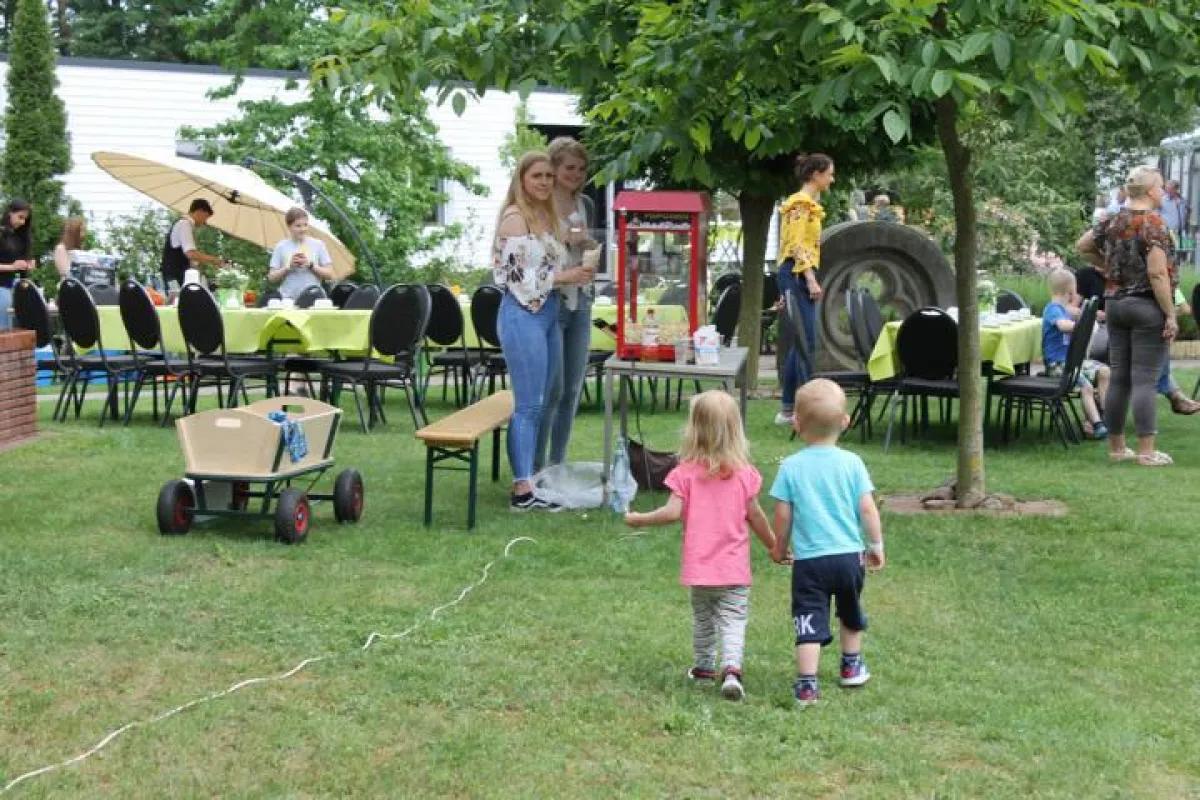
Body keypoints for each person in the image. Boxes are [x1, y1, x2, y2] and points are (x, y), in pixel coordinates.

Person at [624, 390, 780, 702]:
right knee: (733, 620)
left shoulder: (684, 474)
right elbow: (757, 517)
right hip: (734, 570)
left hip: (700, 570)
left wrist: (638, 518)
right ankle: (732, 669)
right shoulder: (745, 475)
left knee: (704, 619)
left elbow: (671, 513)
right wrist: (775, 546)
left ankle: (704, 669)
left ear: (693, 430)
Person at [770, 378, 884, 708]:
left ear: (796, 422)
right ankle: (851, 666)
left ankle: (807, 685)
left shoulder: (790, 467)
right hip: (850, 557)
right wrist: (875, 545)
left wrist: (780, 548)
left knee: (809, 619)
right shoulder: (852, 464)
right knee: (850, 610)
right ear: (846, 422)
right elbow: (867, 508)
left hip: (810, 562)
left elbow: (783, 515)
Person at [493, 151, 594, 511]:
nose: (544, 182)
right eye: (537, 176)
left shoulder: (545, 216)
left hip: (548, 313)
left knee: (546, 398)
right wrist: (567, 277)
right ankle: (522, 489)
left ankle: (534, 478)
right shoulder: (515, 219)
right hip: (522, 316)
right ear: (521, 179)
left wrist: (584, 253)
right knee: (529, 404)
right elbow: (520, 281)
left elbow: (569, 251)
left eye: (548, 177)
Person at [1077, 165, 1177, 467]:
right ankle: (1146, 452)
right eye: (1159, 187)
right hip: (1146, 306)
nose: (1162, 192)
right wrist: (1170, 314)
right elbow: (1157, 273)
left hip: (1116, 304)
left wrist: (1110, 268)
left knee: (1119, 378)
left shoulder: (1112, 220)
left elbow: (1082, 246)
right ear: (1149, 191)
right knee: (1145, 380)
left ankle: (1118, 448)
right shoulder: (1154, 224)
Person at [535, 137, 598, 472]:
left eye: (581, 168)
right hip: (553, 301)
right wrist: (564, 240)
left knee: (573, 387)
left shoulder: (583, 203)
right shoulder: (540, 204)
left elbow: (582, 244)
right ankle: (538, 466)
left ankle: (558, 462)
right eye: (569, 168)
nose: (576, 174)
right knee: (553, 388)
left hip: (581, 301)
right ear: (555, 168)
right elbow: (536, 253)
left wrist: (589, 246)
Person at [775, 153, 835, 426]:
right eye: (829, 174)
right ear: (816, 175)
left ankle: (789, 409)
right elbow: (797, 245)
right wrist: (810, 278)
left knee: (800, 343)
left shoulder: (806, 204)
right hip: (798, 274)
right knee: (807, 341)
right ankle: (803, 410)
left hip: (794, 274)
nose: (832, 179)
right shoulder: (801, 205)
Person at [1041, 269, 1109, 439]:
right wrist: (1082, 327)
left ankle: (1107, 416)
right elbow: (1063, 326)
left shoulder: (1064, 309)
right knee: (1085, 386)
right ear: (1070, 291)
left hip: (1071, 362)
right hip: (1058, 365)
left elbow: (1074, 316)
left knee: (1105, 372)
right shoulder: (1052, 309)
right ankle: (1097, 424)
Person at [268, 207, 336, 299]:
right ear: (289, 226)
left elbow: (330, 274)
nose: (303, 229)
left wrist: (311, 265)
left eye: (305, 225)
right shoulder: (281, 246)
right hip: (288, 299)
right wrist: (288, 267)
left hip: (314, 297)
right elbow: (272, 277)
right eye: (298, 226)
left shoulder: (318, 244)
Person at [161, 198, 222, 290]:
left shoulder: (184, 224)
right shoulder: (184, 224)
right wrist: (214, 260)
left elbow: (188, 256)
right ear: (199, 211)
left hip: (174, 275)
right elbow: (191, 254)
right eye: (205, 217)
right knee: (177, 302)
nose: (204, 222)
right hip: (174, 277)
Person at [0, 198, 34, 331]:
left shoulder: (21, 237)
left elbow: (20, 267)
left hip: (15, 288)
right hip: (2, 288)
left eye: (25, 219)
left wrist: (27, 264)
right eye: (20, 217)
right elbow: (12, 265)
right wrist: (12, 267)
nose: (22, 222)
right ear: (10, 213)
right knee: (3, 330)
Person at [1159, 180, 1189, 244]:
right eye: (1167, 189)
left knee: (1183, 251)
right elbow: (1156, 215)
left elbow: (1187, 212)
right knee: (1169, 251)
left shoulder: (1183, 200)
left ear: (1176, 189)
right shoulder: (1162, 200)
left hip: (1181, 231)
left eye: (1171, 189)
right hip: (1167, 232)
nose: (1168, 191)